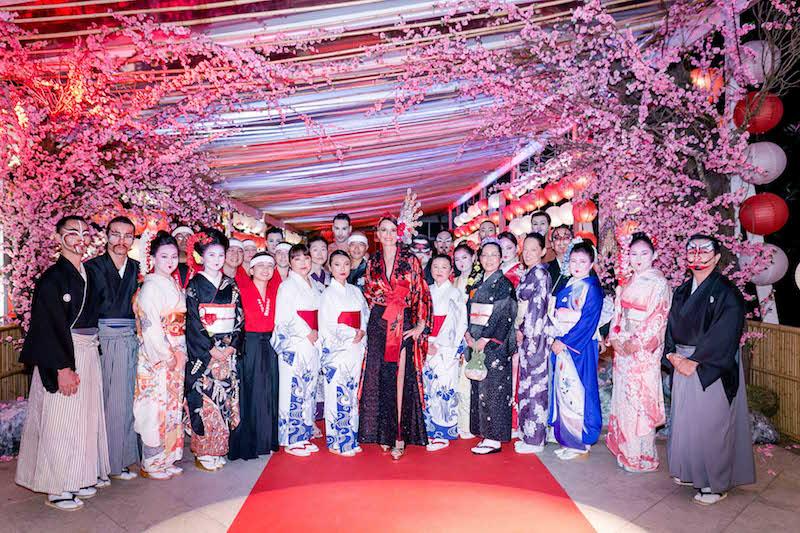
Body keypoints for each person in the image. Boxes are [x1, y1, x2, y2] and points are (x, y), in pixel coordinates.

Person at [16, 215, 110, 511]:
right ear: (58, 238)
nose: (80, 238)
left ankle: (78, 477)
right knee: (61, 421)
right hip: (64, 353)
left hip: (87, 350)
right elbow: (47, 326)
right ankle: (57, 486)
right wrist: (62, 368)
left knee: (84, 420)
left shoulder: (89, 273)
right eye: (72, 232)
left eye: (85, 232)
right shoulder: (52, 279)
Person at [663, 235, 755, 505]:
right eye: (692, 250)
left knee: (712, 425)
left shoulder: (727, 292)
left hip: (709, 366)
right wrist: (671, 354)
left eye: (704, 251)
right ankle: (690, 473)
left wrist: (696, 361)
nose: (697, 255)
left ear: (716, 258)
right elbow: (670, 327)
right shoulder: (682, 290)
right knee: (685, 423)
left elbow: (726, 332)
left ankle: (715, 483)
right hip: (682, 361)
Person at [359, 216, 432, 460]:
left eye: (392, 230)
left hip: (403, 320)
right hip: (379, 322)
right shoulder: (373, 261)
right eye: (384, 230)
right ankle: (384, 433)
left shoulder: (410, 260)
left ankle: (399, 435)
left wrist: (421, 324)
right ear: (377, 234)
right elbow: (368, 293)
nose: (388, 234)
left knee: (400, 377)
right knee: (382, 377)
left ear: (398, 233)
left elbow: (421, 291)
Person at [606, 233, 671, 472]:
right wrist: (615, 337)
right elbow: (618, 313)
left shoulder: (659, 283)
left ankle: (642, 456)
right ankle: (627, 450)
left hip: (643, 352)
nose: (638, 258)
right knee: (624, 400)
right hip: (623, 345)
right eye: (633, 254)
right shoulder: (627, 281)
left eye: (644, 253)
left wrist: (637, 342)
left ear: (654, 255)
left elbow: (658, 317)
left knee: (640, 401)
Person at [85, 216, 140, 481]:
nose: (121, 240)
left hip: (130, 339)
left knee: (125, 401)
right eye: (116, 234)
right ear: (106, 235)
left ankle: (120, 461)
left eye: (128, 236)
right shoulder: (92, 267)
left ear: (133, 239)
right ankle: (99, 465)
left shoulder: (137, 268)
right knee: (103, 402)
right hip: (101, 339)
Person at [185, 228, 244, 471]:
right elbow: (192, 320)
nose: (217, 260)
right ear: (201, 257)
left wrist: (232, 346)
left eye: (221, 255)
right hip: (206, 353)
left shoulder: (231, 284)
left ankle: (219, 448)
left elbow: (239, 317)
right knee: (206, 399)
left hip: (226, 351)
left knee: (224, 400)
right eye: (211, 255)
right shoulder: (194, 285)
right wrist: (210, 348)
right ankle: (203, 451)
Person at [132, 231, 186, 480]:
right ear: (153, 258)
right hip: (159, 354)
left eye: (174, 256)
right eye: (164, 256)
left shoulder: (172, 283)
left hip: (176, 348)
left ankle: (168, 457)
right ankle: (152, 462)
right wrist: (167, 354)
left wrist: (179, 351)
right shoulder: (151, 287)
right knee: (155, 407)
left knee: (172, 406)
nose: (170, 261)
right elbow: (151, 326)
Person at [547, 239, 603, 461]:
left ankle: (582, 441)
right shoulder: (569, 284)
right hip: (563, 343)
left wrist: (565, 341)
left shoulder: (592, 288)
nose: (577, 265)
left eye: (582, 261)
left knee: (578, 392)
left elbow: (588, 321)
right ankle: (568, 439)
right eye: (573, 261)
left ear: (591, 264)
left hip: (579, 347)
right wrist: (555, 334)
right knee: (564, 391)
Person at [466, 240, 517, 454]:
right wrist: (468, 334)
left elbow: (504, 314)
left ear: (501, 258)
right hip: (476, 340)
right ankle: (485, 433)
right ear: (479, 258)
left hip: (494, 344)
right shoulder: (477, 282)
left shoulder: (504, 284)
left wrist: (485, 338)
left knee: (494, 388)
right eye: (485, 255)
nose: (489, 259)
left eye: (493, 255)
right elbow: (470, 312)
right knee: (480, 387)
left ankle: (494, 438)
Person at [229, 252, 281, 460]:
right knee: (250, 392)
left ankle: (267, 440)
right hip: (248, 344)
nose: (265, 269)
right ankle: (250, 442)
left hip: (270, 344)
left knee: (269, 392)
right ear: (251, 270)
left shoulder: (276, 291)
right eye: (260, 265)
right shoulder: (240, 289)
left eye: (269, 265)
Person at [273, 244, 322, 457]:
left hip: (312, 341)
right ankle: (291, 439)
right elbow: (284, 317)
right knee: (293, 389)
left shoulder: (313, 284)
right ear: (290, 263)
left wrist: (316, 332)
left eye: (306, 258)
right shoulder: (287, 286)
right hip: (296, 343)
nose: (303, 263)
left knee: (308, 389)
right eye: (297, 259)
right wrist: (307, 331)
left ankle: (304, 434)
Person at [319, 250, 369, 456]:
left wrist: (362, 331)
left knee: (351, 393)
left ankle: (350, 437)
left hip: (355, 348)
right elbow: (328, 324)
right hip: (338, 350)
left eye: (346, 264)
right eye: (337, 264)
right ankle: (337, 441)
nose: (342, 268)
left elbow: (365, 314)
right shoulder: (327, 294)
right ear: (330, 267)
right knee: (337, 393)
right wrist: (351, 333)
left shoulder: (355, 291)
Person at [423, 254, 468, 451]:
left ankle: (443, 433)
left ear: (451, 271)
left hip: (445, 348)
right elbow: (420, 320)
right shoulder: (427, 291)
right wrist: (425, 341)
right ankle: (429, 429)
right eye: (436, 266)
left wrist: (439, 344)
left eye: (444, 267)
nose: (439, 270)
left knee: (444, 387)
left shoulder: (455, 294)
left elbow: (458, 324)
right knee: (428, 388)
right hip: (426, 346)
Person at [515, 232, 551, 454]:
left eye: (533, 250)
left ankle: (535, 440)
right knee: (526, 386)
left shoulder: (540, 274)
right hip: (526, 334)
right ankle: (527, 434)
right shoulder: (529, 273)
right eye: (525, 249)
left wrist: (525, 333)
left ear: (543, 251)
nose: (527, 254)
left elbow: (537, 309)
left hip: (535, 337)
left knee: (536, 387)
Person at [452, 243, 478, 438]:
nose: (461, 262)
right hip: (455, 335)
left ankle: (469, 424)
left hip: (472, 335)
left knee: (469, 380)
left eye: (465, 258)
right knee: (457, 380)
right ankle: (458, 421)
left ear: (473, 258)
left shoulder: (479, 281)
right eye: (457, 259)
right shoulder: (453, 281)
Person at [547, 225, 574, 294]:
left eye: (566, 237)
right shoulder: (545, 269)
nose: (562, 241)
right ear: (552, 245)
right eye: (557, 238)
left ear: (573, 242)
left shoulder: (583, 266)